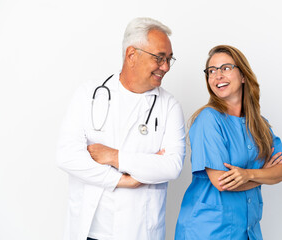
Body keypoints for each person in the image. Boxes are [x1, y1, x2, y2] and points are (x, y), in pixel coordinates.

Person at [57, 17, 186, 240]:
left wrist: (114, 157)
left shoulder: (169, 106)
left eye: (169, 59)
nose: (165, 67)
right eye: (159, 58)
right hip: (91, 229)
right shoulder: (88, 95)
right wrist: (123, 179)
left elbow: (171, 166)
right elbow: (67, 157)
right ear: (131, 55)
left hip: (139, 230)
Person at [175, 45, 282, 240]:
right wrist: (264, 175)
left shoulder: (260, 125)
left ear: (243, 75)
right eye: (211, 71)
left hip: (247, 231)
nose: (217, 75)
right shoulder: (208, 120)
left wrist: (247, 174)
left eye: (226, 68)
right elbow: (222, 182)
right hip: (207, 230)